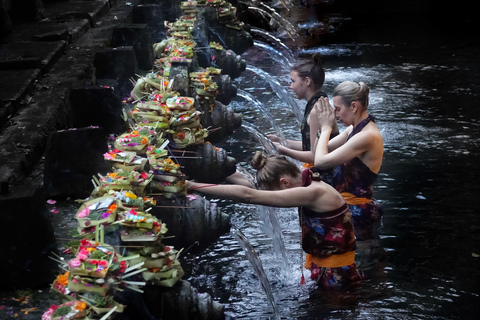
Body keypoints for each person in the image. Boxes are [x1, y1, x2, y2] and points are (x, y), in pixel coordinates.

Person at [187, 151, 363, 288]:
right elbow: (251, 187)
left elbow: (249, 196)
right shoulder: (307, 177)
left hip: (337, 276)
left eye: (275, 194)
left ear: (284, 183)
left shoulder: (313, 193)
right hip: (328, 268)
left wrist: (193, 186)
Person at [313, 81, 384, 246]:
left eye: (338, 109)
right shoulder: (353, 130)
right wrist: (322, 126)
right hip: (348, 209)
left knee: (364, 265)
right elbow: (318, 152)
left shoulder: (368, 135)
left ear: (353, 106)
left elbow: (320, 161)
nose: (336, 114)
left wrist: (326, 129)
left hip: (358, 214)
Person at [268, 53, 339, 183]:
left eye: (293, 81)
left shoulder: (317, 110)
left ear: (307, 81)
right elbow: (311, 147)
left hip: (327, 179)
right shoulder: (317, 103)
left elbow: (314, 156)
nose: (290, 86)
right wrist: (281, 141)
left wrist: (283, 149)